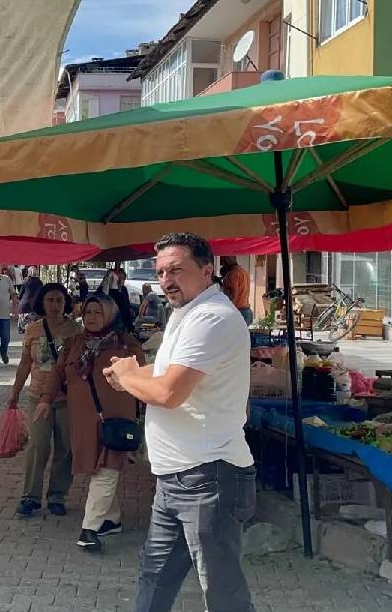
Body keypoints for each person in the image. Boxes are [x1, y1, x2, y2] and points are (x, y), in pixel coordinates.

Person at [102, 233, 254, 612]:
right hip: (175, 478)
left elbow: (169, 393)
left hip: (209, 478)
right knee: (154, 575)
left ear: (207, 271)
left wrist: (127, 377)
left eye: (176, 270)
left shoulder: (213, 317)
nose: (166, 280)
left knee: (222, 593)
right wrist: (134, 372)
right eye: (160, 271)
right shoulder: (187, 312)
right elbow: (169, 370)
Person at [35, 293, 143, 552]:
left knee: (106, 470)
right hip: (83, 420)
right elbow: (58, 374)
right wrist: (45, 400)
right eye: (88, 312)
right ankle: (112, 520)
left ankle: (90, 528)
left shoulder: (126, 345)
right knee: (98, 470)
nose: (92, 317)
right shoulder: (75, 342)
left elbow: (143, 378)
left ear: (110, 314)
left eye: (98, 312)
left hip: (116, 418)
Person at [9, 283, 78, 518]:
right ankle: (30, 496)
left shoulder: (75, 330)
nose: (55, 305)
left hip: (67, 399)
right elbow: (25, 364)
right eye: (50, 300)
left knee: (66, 448)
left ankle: (57, 495)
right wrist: (14, 394)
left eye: (59, 300)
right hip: (37, 397)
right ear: (42, 302)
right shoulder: (33, 330)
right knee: (38, 445)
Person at [219, 256, 254, 326]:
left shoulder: (231, 275)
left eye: (223, 263)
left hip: (238, 312)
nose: (223, 265)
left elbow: (232, 298)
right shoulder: (244, 272)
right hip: (247, 311)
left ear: (228, 260)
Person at [105, 268, 135, 335]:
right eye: (122, 278)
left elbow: (127, 302)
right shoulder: (111, 291)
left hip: (124, 316)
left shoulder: (124, 289)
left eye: (124, 278)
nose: (123, 281)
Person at [18, 266, 44, 333]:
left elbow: (20, 294)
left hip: (24, 307)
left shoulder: (25, 281)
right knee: (34, 330)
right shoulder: (40, 283)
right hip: (35, 308)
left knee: (25, 330)